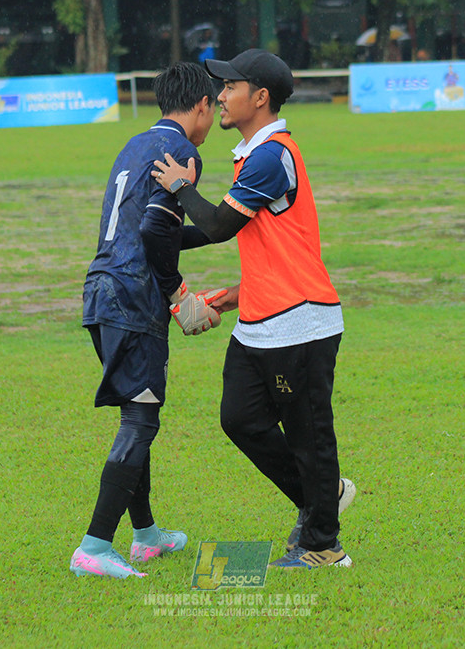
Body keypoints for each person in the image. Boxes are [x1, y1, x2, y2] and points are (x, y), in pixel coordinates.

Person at [151, 49, 356, 569]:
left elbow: (219, 226)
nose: (219, 96)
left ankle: (323, 545)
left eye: (230, 87)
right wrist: (159, 239)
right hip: (261, 321)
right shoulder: (253, 155)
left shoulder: (271, 156)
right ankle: (322, 497)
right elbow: (255, 236)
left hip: (300, 323)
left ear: (259, 98)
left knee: (309, 434)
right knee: (239, 419)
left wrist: (180, 188)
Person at [71, 62, 223, 579]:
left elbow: (149, 228)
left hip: (101, 288)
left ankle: (146, 536)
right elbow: (158, 233)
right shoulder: (184, 152)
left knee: (138, 411)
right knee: (141, 417)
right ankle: (94, 546)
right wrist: (180, 296)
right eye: (213, 106)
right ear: (200, 105)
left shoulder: (134, 145)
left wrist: (230, 224)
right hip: (133, 296)